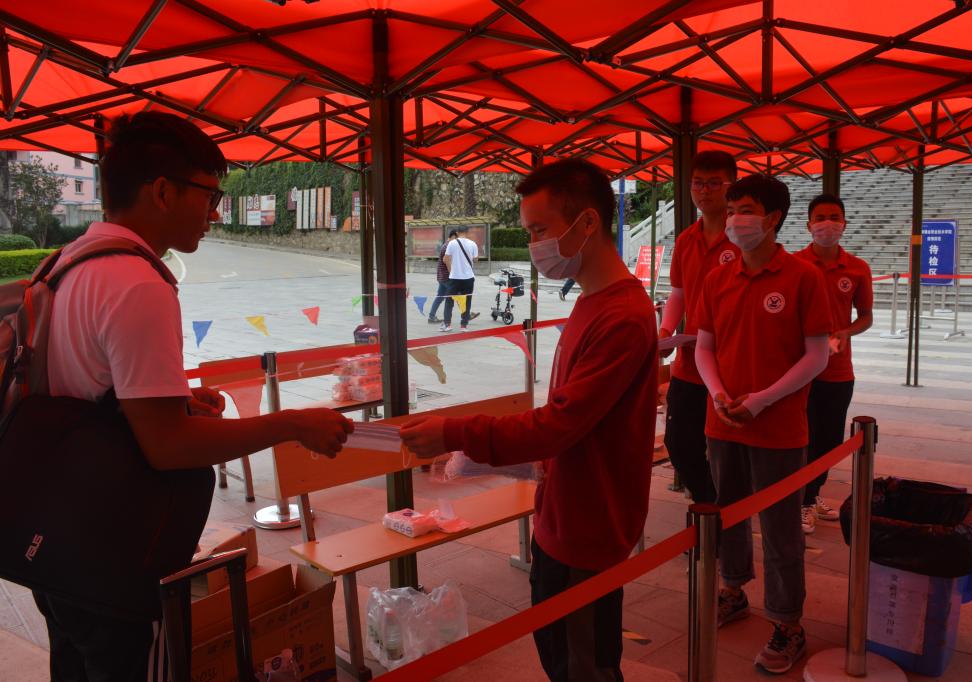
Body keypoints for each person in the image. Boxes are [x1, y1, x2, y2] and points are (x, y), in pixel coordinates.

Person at [37, 111, 353, 681]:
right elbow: (168, 447)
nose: (215, 213)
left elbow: (90, 396)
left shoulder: (69, 264)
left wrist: (175, 401)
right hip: (114, 554)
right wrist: (291, 424)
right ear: (163, 191)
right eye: (209, 195)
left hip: (57, 542)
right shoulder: (138, 284)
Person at [400, 158, 657, 681]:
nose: (534, 244)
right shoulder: (591, 302)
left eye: (539, 230)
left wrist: (454, 431)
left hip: (590, 524)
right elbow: (567, 425)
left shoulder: (623, 317)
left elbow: (559, 424)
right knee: (559, 652)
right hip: (561, 510)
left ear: (587, 223)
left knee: (583, 665)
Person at [693, 174, 832, 674]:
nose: (734, 220)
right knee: (728, 515)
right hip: (723, 421)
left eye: (745, 210)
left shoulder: (803, 277)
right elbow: (704, 346)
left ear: (773, 218)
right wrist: (719, 394)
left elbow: (817, 355)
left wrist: (763, 400)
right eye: (731, 210)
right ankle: (733, 591)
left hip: (778, 428)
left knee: (779, 529)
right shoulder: (718, 278)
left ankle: (788, 623)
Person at [658, 150, 739, 503]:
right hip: (690, 363)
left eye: (714, 183)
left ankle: (721, 512)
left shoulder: (742, 238)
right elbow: (678, 293)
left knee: (726, 446)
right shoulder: (685, 239)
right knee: (679, 443)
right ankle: (711, 505)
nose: (704, 191)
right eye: (698, 183)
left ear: (731, 186)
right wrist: (666, 332)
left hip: (731, 365)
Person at [794, 194, 873, 534]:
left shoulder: (857, 268)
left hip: (838, 370)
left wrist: (846, 331)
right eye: (820, 217)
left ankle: (811, 494)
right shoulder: (794, 265)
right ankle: (801, 500)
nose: (828, 224)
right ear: (809, 225)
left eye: (834, 217)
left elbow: (866, 316)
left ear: (844, 223)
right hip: (800, 369)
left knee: (828, 440)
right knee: (802, 437)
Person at [441, 229, 478, 331]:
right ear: (467, 232)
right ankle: (463, 326)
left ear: (457, 233)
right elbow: (475, 259)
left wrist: (451, 271)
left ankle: (447, 324)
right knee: (467, 301)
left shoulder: (452, 243)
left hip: (454, 278)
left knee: (449, 301)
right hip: (468, 278)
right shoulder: (473, 244)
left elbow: (446, 258)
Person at [427, 231, 455, 323]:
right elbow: (446, 260)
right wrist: (452, 274)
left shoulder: (445, 245)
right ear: (453, 237)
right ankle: (466, 314)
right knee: (458, 295)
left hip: (442, 277)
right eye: (456, 238)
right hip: (446, 277)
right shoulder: (448, 246)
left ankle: (431, 316)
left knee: (439, 297)